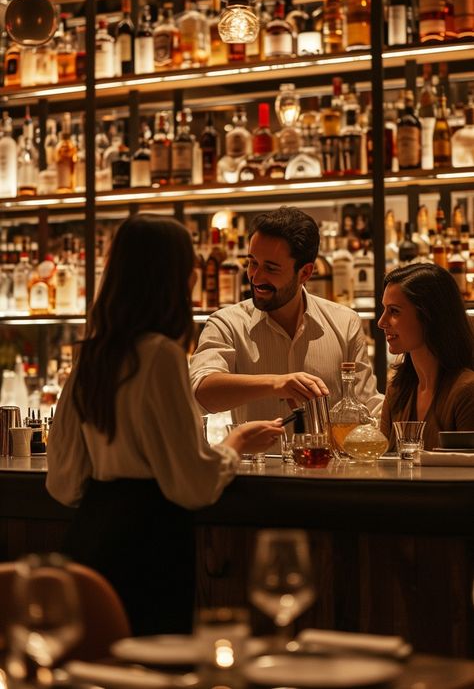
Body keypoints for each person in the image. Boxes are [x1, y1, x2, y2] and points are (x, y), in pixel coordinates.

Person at [46, 213, 283, 636]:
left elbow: (62, 482)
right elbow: (190, 484)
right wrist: (235, 443)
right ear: (174, 278)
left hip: (89, 540)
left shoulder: (91, 354)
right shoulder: (160, 355)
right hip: (148, 545)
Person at [190, 206, 382, 423]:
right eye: (252, 263)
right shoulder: (227, 323)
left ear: (305, 273)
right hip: (258, 458)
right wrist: (275, 384)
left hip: (323, 458)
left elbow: (368, 407)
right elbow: (200, 393)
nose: (256, 277)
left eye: (271, 268)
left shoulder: (345, 323)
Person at [378, 262, 474, 451]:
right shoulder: (397, 390)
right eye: (384, 310)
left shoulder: (466, 391)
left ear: (430, 316)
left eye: (394, 311)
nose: (382, 322)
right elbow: (382, 466)